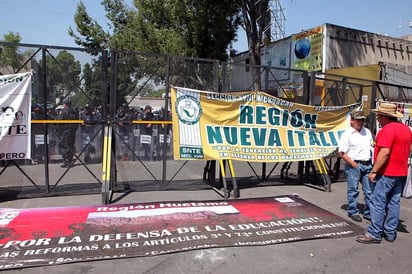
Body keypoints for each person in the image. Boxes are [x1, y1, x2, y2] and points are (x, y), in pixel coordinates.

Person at [357, 102, 412, 244]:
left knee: (378, 202)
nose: (377, 118)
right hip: (401, 172)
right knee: (394, 202)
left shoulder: (386, 130)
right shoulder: (406, 129)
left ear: (385, 117)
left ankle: (375, 233)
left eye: (379, 116)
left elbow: (385, 153)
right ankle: (390, 232)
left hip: (386, 172)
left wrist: (374, 171)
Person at [338, 110, 374, 222]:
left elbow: (371, 147)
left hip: (367, 165)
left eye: (362, 120)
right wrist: (354, 165)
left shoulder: (367, 132)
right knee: (353, 190)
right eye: (358, 120)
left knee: (369, 191)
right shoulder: (347, 134)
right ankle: (353, 211)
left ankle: (369, 213)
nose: (360, 122)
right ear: (352, 121)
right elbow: (342, 153)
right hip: (354, 165)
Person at [56, 100, 78, 168]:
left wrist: (58, 130)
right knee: (70, 145)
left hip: (64, 131)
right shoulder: (74, 111)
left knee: (63, 145)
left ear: (65, 104)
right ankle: (69, 160)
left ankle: (66, 161)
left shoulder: (63, 111)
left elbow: (59, 120)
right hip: (72, 131)